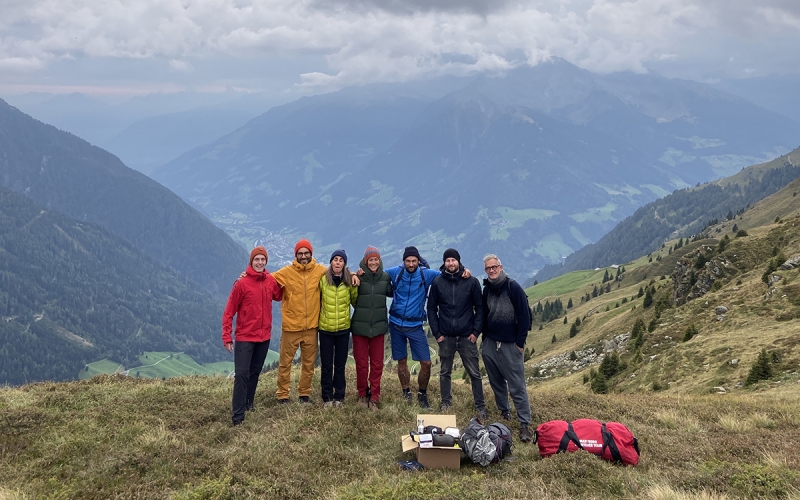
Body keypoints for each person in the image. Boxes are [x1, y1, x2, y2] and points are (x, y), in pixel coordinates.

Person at [271, 239, 359, 404]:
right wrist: (248, 274)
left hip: (312, 326)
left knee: (308, 364)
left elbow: (338, 270)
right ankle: (283, 395)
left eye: (306, 253)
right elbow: (267, 279)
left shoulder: (319, 271)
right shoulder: (286, 272)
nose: (304, 256)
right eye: (300, 253)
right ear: (296, 255)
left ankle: (304, 395)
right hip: (291, 326)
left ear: (311, 254)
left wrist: (353, 274)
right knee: (285, 364)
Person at [222, 246, 282, 426]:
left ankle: (249, 404)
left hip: (264, 337)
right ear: (251, 261)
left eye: (263, 259)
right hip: (245, 337)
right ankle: (238, 417)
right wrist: (226, 335)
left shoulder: (270, 281)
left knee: (254, 373)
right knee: (241, 375)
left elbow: (279, 295)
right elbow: (229, 311)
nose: (260, 262)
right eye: (257, 259)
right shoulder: (241, 283)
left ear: (266, 262)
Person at [427, 248, 486, 418]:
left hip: (467, 336)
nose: (451, 263)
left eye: (453, 260)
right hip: (446, 336)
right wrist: (437, 333)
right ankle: (446, 403)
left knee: (475, 373)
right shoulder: (438, 283)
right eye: (448, 261)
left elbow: (480, 308)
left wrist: (476, 332)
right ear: (444, 263)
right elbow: (431, 309)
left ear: (458, 262)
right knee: (445, 372)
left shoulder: (471, 282)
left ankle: (480, 406)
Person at [481, 254, 533, 443]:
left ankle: (524, 424)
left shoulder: (513, 287)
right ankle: (504, 413)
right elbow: (484, 315)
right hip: (490, 343)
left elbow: (524, 315)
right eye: (488, 268)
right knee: (496, 382)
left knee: (517, 385)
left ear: (501, 267)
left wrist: (520, 343)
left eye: (494, 267)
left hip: (511, 344)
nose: (492, 270)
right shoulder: (487, 290)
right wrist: (485, 339)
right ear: (485, 271)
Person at [351, 246, 393, 410]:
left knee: (377, 364)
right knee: (361, 364)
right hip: (360, 328)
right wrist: (353, 274)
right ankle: (362, 394)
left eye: (376, 259)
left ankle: (374, 396)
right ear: (365, 261)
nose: (374, 262)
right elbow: (348, 284)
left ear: (379, 260)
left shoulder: (385, 278)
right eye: (371, 260)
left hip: (378, 328)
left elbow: (392, 291)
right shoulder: (359, 278)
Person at [318, 249, 358, 407]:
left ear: (344, 264)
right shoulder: (322, 279)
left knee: (340, 365)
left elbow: (355, 301)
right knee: (327, 365)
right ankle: (327, 397)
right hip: (326, 329)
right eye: (335, 259)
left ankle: (339, 396)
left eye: (341, 260)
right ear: (331, 262)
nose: (338, 262)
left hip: (343, 329)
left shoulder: (349, 282)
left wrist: (354, 275)